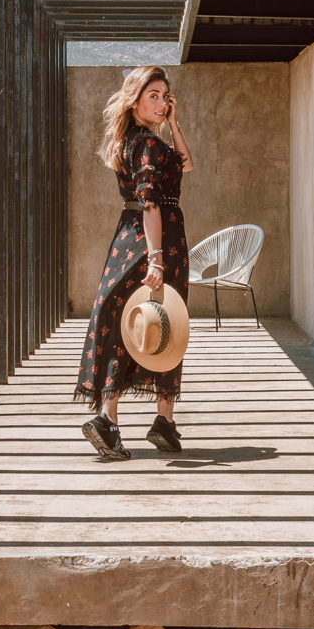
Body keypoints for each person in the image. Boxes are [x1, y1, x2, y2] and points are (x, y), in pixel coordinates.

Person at [75, 65, 194, 459]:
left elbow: (186, 165)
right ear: (135, 99)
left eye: (165, 95)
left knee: (135, 326)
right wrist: (157, 260)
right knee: (164, 328)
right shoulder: (146, 145)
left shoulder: (136, 140)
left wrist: (174, 124)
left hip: (130, 239)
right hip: (154, 241)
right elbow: (151, 203)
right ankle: (142, 420)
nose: (161, 103)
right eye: (153, 96)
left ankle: (144, 422)